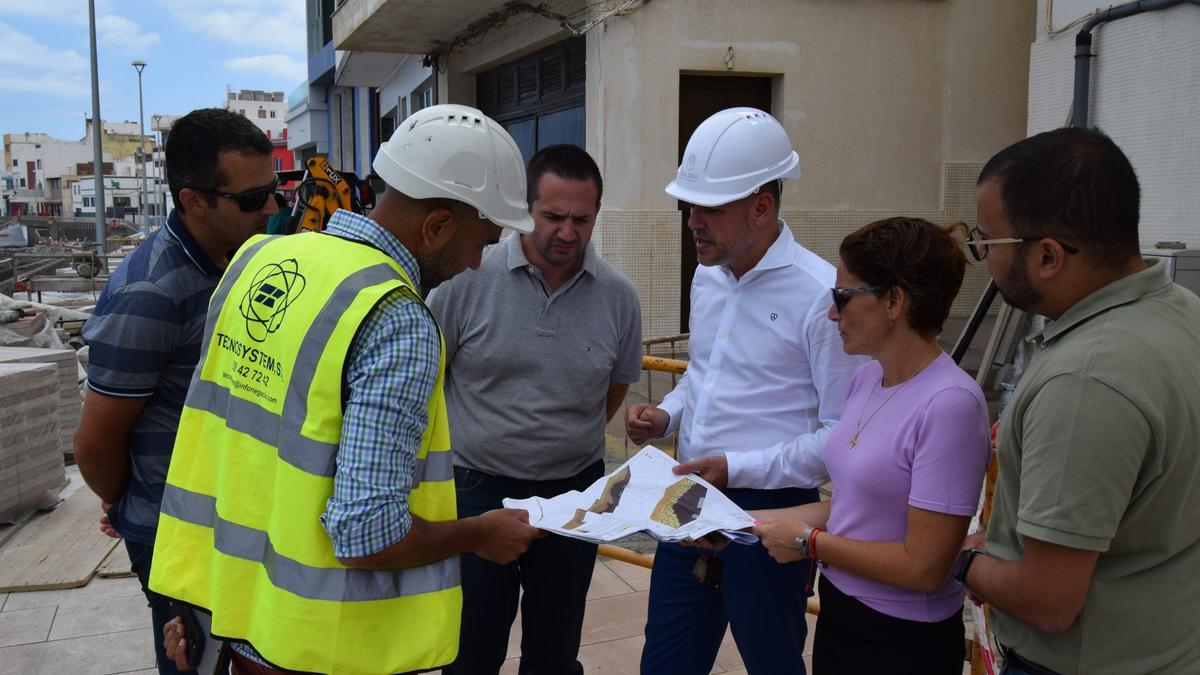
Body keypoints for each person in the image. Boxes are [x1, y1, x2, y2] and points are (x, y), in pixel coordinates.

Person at [147, 104, 543, 675]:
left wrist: (183, 604)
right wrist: (479, 534)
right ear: (437, 225)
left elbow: (220, 452)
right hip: (321, 649)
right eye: (483, 241)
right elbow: (365, 532)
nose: (480, 264)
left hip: (236, 626)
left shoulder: (259, 259)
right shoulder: (396, 318)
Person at [625, 108, 864, 675]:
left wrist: (735, 467)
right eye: (690, 205)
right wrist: (666, 415)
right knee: (665, 661)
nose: (693, 222)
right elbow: (704, 375)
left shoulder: (819, 295)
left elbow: (838, 436)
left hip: (773, 518)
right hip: (689, 502)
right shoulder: (708, 274)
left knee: (772, 661)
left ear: (762, 206)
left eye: (711, 207)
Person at [956, 128, 1200, 674]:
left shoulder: (1084, 383)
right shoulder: (1182, 310)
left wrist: (962, 558)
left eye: (987, 242)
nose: (981, 257)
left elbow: (1048, 600)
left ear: (1047, 257)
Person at [74, 107, 280, 675]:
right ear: (194, 200)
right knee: (195, 659)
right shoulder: (150, 294)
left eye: (277, 188)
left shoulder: (247, 260)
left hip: (234, 518)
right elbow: (96, 441)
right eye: (252, 198)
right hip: (177, 531)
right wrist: (131, 501)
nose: (272, 207)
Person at [429, 144, 642, 675]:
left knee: (554, 651)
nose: (567, 232)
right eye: (553, 217)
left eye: (581, 219)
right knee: (470, 650)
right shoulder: (466, 280)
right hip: (476, 493)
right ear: (526, 210)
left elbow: (612, 391)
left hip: (573, 495)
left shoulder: (619, 297)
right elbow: (430, 381)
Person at [752, 217, 992, 674]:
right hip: (844, 612)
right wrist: (744, 523)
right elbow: (858, 509)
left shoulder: (950, 405)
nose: (831, 314)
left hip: (901, 639)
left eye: (841, 298)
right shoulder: (867, 378)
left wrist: (808, 543)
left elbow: (924, 566)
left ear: (895, 302)